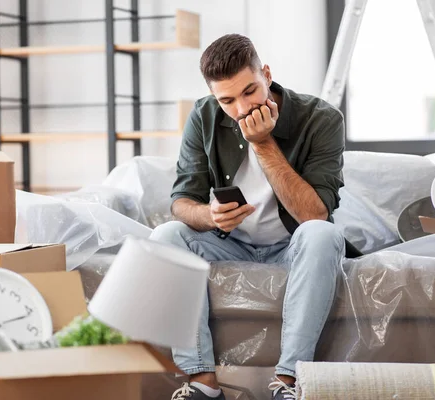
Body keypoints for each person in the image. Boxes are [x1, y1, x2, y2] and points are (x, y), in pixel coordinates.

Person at [150, 33, 354, 400]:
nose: (241, 108)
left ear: (267, 75)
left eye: (249, 92)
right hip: (230, 244)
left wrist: (263, 143)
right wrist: (210, 216)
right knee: (164, 237)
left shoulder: (321, 118)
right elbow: (182, 201)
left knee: (323, 235)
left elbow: (315, 214)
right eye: (226, 100)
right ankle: (203, 384)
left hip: (293, 247)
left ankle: (288, 383)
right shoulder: (204, 116)